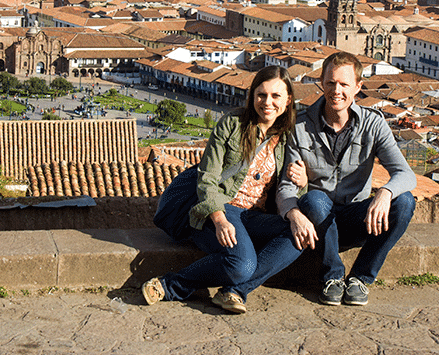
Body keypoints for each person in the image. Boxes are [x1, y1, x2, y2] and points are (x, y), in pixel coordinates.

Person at [143, 66, 306, 314]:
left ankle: (234, 291)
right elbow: (207, 177)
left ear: (288, 100)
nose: (267, 102)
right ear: (252, 96)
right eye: (261, 95)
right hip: (222, 208)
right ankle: (171, 285)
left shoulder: (289, 137)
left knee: (299, 234)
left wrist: (302, 182)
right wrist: (219, 219)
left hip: (257, 217)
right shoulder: (233, 124)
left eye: (276, 96)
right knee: (242, 264)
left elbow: (288, 190)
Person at [277, 52, 416, 307]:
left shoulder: (373, 125)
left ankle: (361, 278)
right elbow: (287, 185)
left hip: (357, 219)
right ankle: (332, 277)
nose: (336, 90)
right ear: (321, 82)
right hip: (317, 220)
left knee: (405, 202)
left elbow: (405, 174)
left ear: (358, 87)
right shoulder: (299, 127)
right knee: (315, 200)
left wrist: (385, 193)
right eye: (330, 83)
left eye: (344, 84)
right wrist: (293, 214)